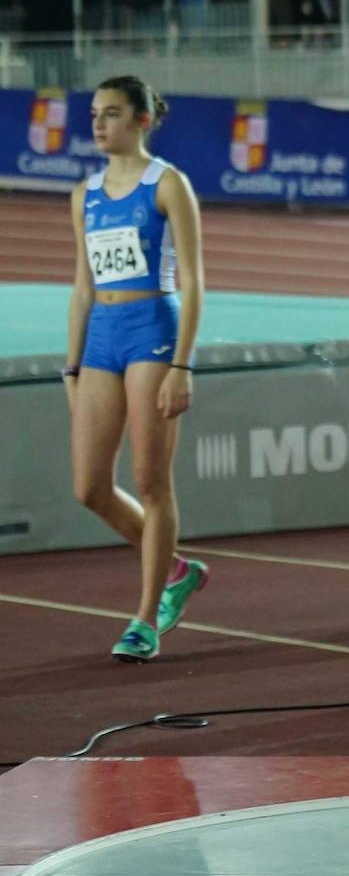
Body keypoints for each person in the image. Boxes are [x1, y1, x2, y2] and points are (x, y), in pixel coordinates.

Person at [65, 76, 210, 663]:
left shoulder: (168, 185)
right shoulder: (85, 194)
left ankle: (145, 619)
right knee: (89, 486)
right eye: (95, 114)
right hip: (101, 336)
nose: (99, 124)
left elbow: (195, 280)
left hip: (153, 330)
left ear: (142, 121)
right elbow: (81, 286)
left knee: (151, 482)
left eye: (113, 114)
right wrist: (70, 366)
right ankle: (177, 566)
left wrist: (182, 364)